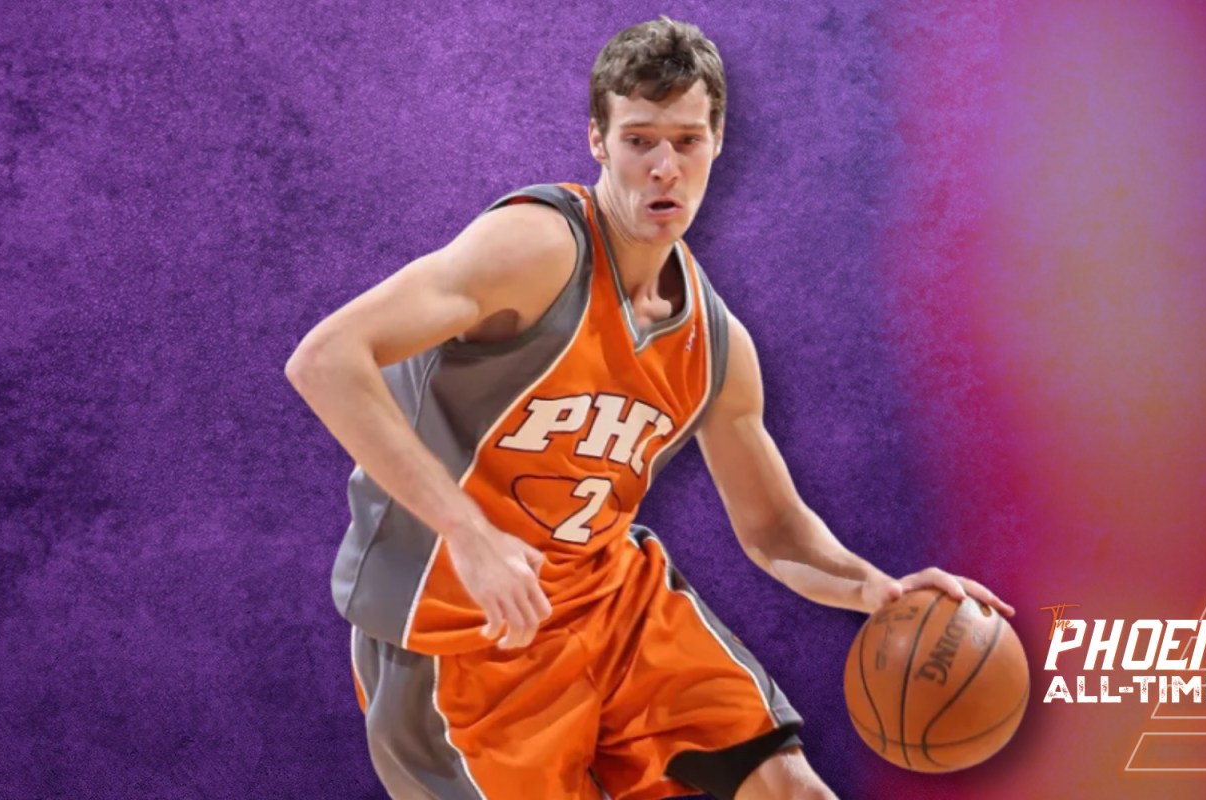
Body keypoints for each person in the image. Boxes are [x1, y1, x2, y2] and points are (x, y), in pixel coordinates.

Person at [284, 17, 1014, 800]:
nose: (664, 167)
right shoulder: (537, 249)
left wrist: (872, 587)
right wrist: (468, 531)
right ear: (597, 141)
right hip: (461, 638)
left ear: (717, 143)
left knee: (790, 788)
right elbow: (326, 359)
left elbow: (773, 527)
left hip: (614, 610)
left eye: (686, 141)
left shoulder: (715, 345)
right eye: (639, 141)